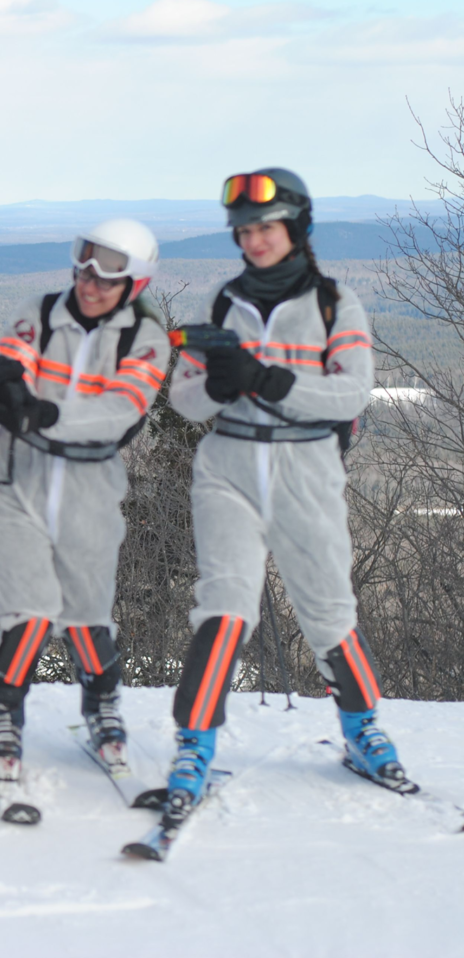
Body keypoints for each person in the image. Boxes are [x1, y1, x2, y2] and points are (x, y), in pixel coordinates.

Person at [164, 168, 406, 814]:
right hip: (229, 467)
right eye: (244, 230)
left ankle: (361, 730)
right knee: (225, 606)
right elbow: (183, 399)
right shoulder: (223, 302)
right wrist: (214, 386)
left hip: (307, 469)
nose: (254, 240)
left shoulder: (333, 303)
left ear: (296, 227)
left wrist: (266, 380)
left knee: (329, 610)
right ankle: (195, 744)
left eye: (266, 227)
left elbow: (352, 391)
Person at [0, 219, 168, 787]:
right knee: (27, 613)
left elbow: (123, 407)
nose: (89, 281)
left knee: (85, 612)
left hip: (89, 484)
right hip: (16, 477)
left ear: (132, 284)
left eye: (107, 275)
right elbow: (16, 357)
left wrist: (50, 412)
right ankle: (3, 715)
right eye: (84, 265)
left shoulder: (144, 339)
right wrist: (10, 386)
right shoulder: (41, 311)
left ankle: (101, 705)